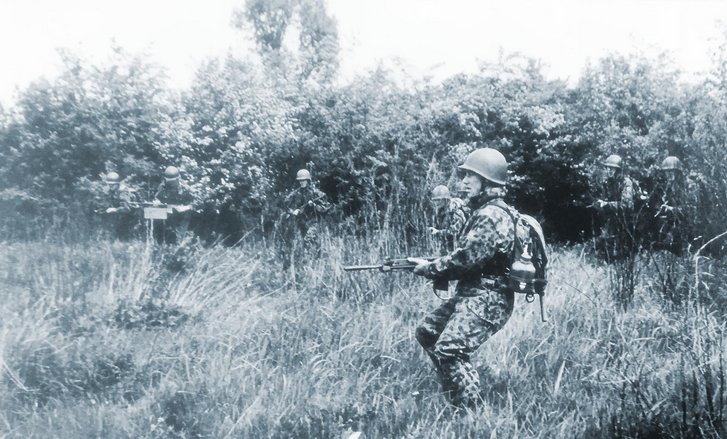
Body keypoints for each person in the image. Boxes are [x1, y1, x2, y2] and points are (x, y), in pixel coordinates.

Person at [408, 147, 534, 409]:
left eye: (470, 177)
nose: (463, 183)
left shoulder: (490, 216)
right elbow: (468, 257)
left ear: (487, 183)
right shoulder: (490, 211)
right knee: (428, 332)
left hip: (488, 298)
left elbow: (465, 261)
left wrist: (429, 268)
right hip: (475, 293)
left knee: (448, 351)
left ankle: (472, 414)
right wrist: (433, 264)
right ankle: (456, 388)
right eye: (464, 176)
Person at [591, 154, 640, 260]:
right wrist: (600, 204)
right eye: (608, 168)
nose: (609, 171)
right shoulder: (608, 182)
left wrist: (608, 204)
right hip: (614, 218)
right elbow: (607, 199)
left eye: (612, 169)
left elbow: (627, 205)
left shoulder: (626, 183)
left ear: (618, 171)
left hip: (628, 220)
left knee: (625, 249)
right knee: (603, 243)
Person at [280, 169, 330, 267]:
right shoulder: (296, 193)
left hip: (313, 222)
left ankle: (316, 263)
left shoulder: (316, 193)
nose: (302, 182)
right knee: (300, 244)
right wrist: (293, 211)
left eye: (304, 180)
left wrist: (315, 205)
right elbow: (284, 204)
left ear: (308, 180)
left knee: (310, 240)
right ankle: (306, 264)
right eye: (300, 180)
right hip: (301, 222)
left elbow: (326, 208)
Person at [651, 156, 701, 255]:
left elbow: (692, 210)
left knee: (682, 244)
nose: (668, 174)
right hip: (677, 220)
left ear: (678, 172)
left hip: (691, 224)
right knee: (660, 237)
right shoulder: (671, 186)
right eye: (666, 172)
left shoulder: (689, 186)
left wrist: (671, 209)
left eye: (671, 171)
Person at [152, 166, 194, 244]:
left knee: (181, 229)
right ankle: (159, 241)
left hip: (182, 215)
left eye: (172, 181)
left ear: (178, 179)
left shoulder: (185, 188)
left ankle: (179, 242)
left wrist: (185, 208)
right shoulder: (163, 186)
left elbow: (193, 204)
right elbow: (157, 198)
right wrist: (157, 202)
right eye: (168, 181)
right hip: (167, 213)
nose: (170, 183)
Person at [428, 185, 469, 254]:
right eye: (435, 200)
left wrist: (438, 232)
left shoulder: (456, 212)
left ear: (446, 200)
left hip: (459, 249)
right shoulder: (442, 211)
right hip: (447, 248)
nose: (436, 203)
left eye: (439, 200)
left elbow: (455, 232)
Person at [100, 171, 139, 240]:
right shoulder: (113, 191)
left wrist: (114, 210)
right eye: (109, 184)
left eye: (112, 185)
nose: (110, 186)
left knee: (125, 239)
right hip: (120, 219)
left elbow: (127, 209)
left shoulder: (123, 192)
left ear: (117, 184)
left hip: (130, 220)